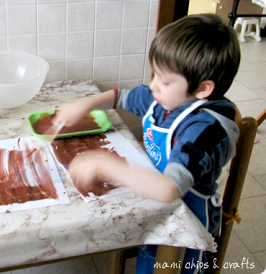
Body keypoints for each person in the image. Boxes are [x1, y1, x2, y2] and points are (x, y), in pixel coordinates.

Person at [52, 14, 241, 274]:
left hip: (186, 227)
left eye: (164, 80)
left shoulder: (204, 132)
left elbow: (169, 189)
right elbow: (121, 97)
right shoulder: (163, 98)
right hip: (156, 210)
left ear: (202, 89)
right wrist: (85, 105)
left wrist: (105, 165)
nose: (152, 85)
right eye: (154, 74)